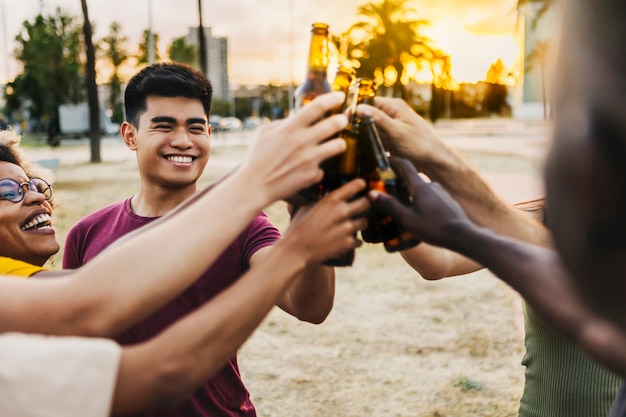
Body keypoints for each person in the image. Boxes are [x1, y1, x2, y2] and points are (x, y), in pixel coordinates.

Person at [0, 92, 370, 416]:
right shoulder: (88, 232)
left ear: (209, 134)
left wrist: (306, 222)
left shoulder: (244, 225)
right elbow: (96, 325)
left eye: (195, 127)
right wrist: (260, 186)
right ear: (130, 135)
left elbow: (311, 307)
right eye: (164, 126)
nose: (182, 140)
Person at [365, 0, 626, 415]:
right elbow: (440, 262)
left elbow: (585, 270)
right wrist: (382, 200)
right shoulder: (553, 212)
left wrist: (443, 163)